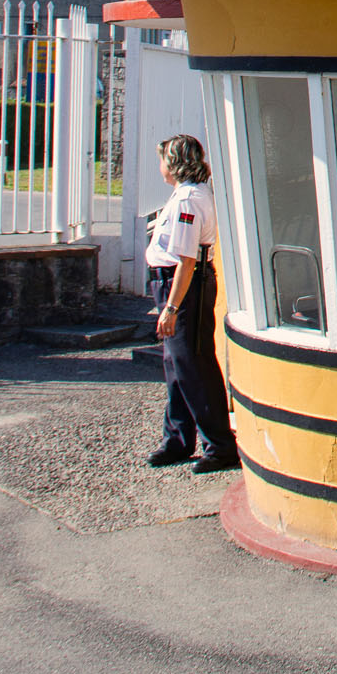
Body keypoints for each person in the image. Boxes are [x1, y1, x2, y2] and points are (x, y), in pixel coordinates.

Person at [145, 134, 239, 473]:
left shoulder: (188, 199)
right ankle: (178, 440)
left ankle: (220, 445)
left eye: (162, 160)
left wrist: (170, 308)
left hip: (183, 284)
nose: (160, 167)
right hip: (179, 282)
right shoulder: (188, 195)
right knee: (178, 365)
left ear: (174, 164)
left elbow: (186, 261)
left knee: (193, 365)